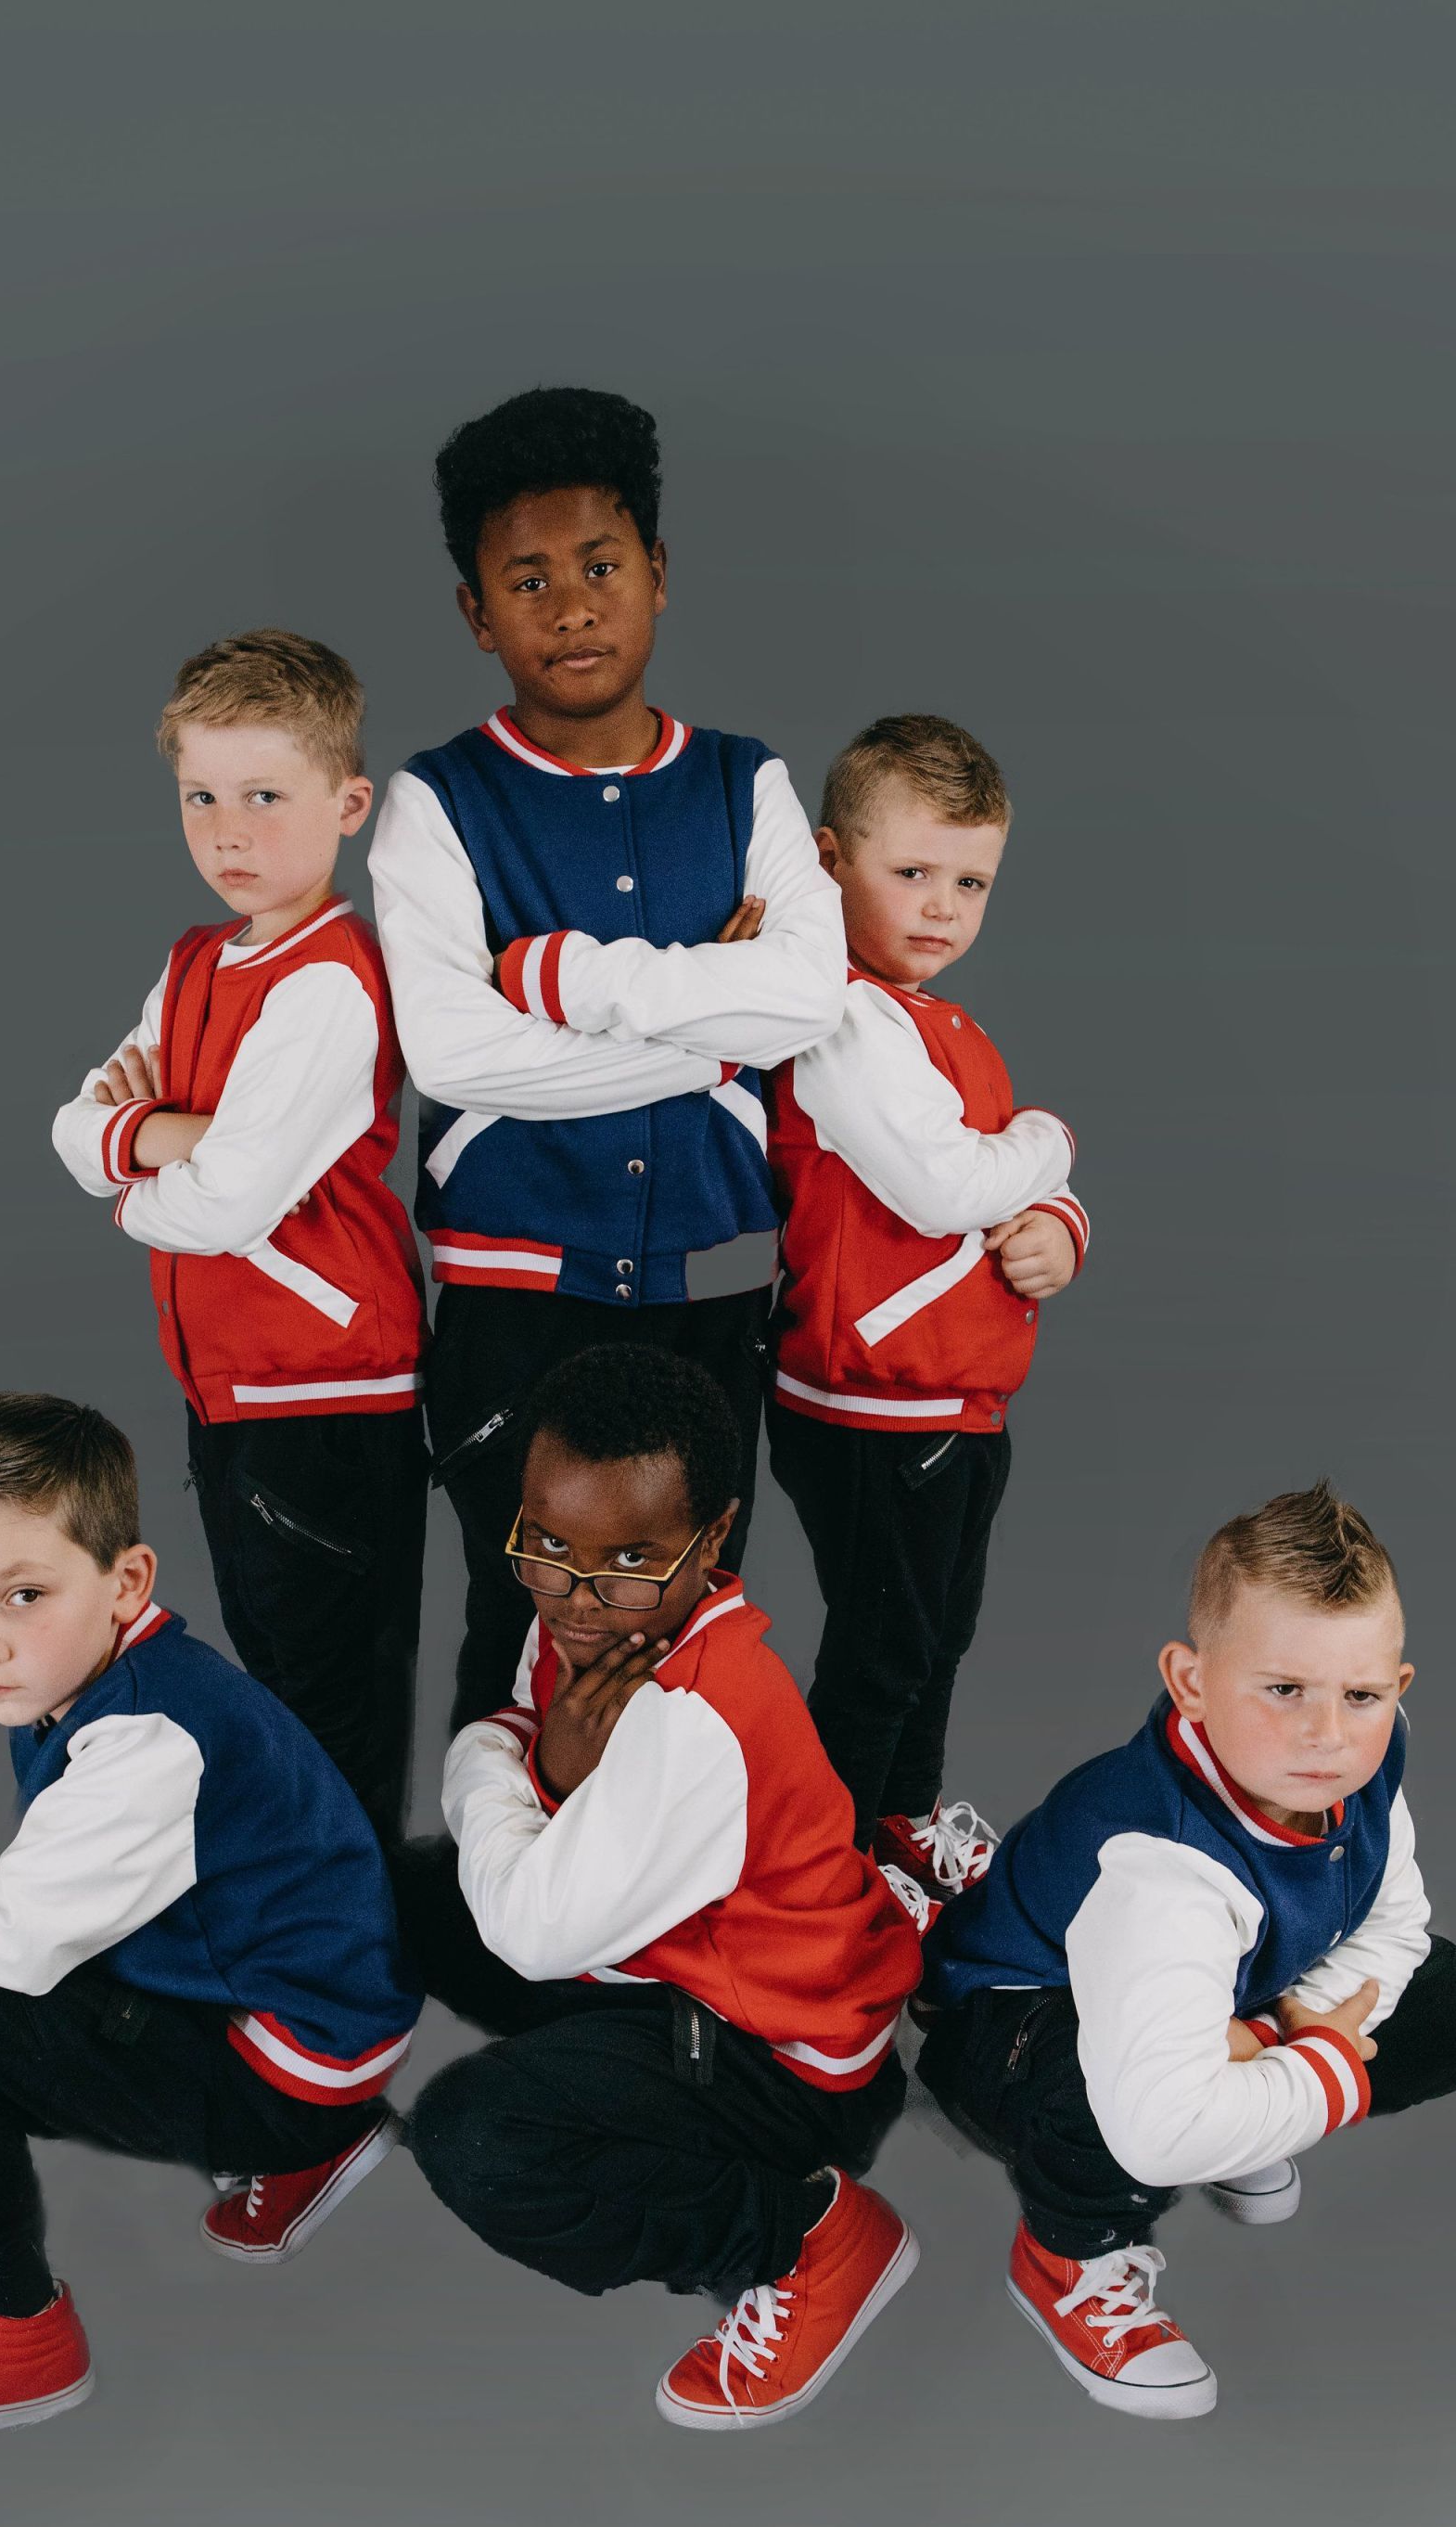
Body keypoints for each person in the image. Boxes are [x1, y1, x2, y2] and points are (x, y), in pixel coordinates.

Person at [0, 1395, 420, 2459]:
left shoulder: (144, 1739)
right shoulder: (105, 1671)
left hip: (284, 2060)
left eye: (21, 1595)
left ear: (127, 1579)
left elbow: (26, 1936)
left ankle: (14, 2329)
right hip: (314, 2015)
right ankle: (323, 2140)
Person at [369, 386, 846, 1727]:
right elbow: (457, 1054)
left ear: (658, 577)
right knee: (519, 1621)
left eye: (600, 567)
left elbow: (806, 1002)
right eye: (528, 580)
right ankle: (491, 1915)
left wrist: (574, 994)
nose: (572, 606)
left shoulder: (745, 781)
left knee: (692, 1625)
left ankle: (662, 1927)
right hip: (517, 1298)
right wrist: (710, 1032)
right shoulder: (437, 800)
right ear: (476, 612)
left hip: (711, 1290)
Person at [392, 1346, 926, 2431]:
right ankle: (294, 2112)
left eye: (629, 1560)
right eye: (547, 1546)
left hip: (789, 2061)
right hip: (679, 1964)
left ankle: (799, 2236)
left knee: (475, 2140)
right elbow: (514, 1743)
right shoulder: (593, 1622)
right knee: (391, 1896)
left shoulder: (693, 1714)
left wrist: (524, 1772)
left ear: (714, 1538)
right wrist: (535, 1774)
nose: (579, 1602)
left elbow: (532, 1924)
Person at [916, 1482, 1456, 2420]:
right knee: (1118, 2114)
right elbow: (1154, 2128)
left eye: (1360, 1694)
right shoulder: (1163, 1868)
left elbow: (1394, 1924)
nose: (1325, 1734)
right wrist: (1320, 2066)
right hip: (1011, 2021)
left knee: (1451, 2005)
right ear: (1191, 1681)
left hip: (1218, 1997)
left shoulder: (1364, 1762)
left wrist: (1270, 2041)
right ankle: (1069, 2255)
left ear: (1397, 1686)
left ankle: (1244, 2095)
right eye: (1283, 1690)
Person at [52, 629, 427, 1841]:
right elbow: (72, 1123)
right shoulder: (198, 964)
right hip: (235, 1392)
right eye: (201, 796)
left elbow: (228, 1203)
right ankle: (306, 1935)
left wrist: (133, 1165)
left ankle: (344, 1967)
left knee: (326, 1700)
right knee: (276, 1684)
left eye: (266, 796)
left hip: (328, 1394)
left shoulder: (328, 979)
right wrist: (159, 1135)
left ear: (347, 805)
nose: (228, 830)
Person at [765, 713, 1089, 1877]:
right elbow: (949, 1182)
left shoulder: (944, 1023)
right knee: (884, 1647)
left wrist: (1059, 1221)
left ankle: (902, 1818)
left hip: (957, 1402)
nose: (943, 906)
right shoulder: (843, 1018)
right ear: (828, 860)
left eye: (971, 881)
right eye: (911, 873)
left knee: (937, 1637)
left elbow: (1000, 1205)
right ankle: (825, 1864)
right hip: (872, 1403)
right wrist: (1052, 1143)